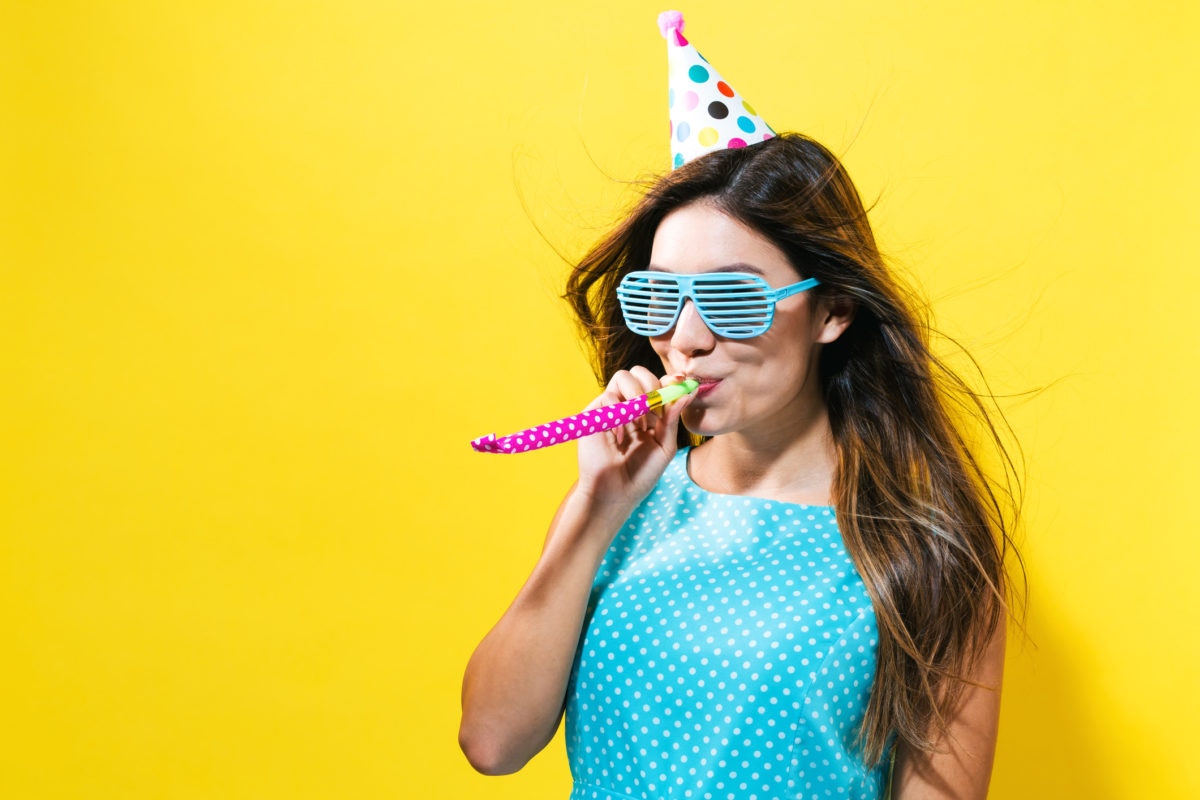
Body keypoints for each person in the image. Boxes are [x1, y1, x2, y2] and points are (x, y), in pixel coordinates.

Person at [459, 131, 1022, 799]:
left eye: (732, 299)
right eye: (659, 298)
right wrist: (596, 506)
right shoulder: (617, 507)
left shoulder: (924, 553)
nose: (687, 339)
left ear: (832, 311)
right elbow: (492, 741)